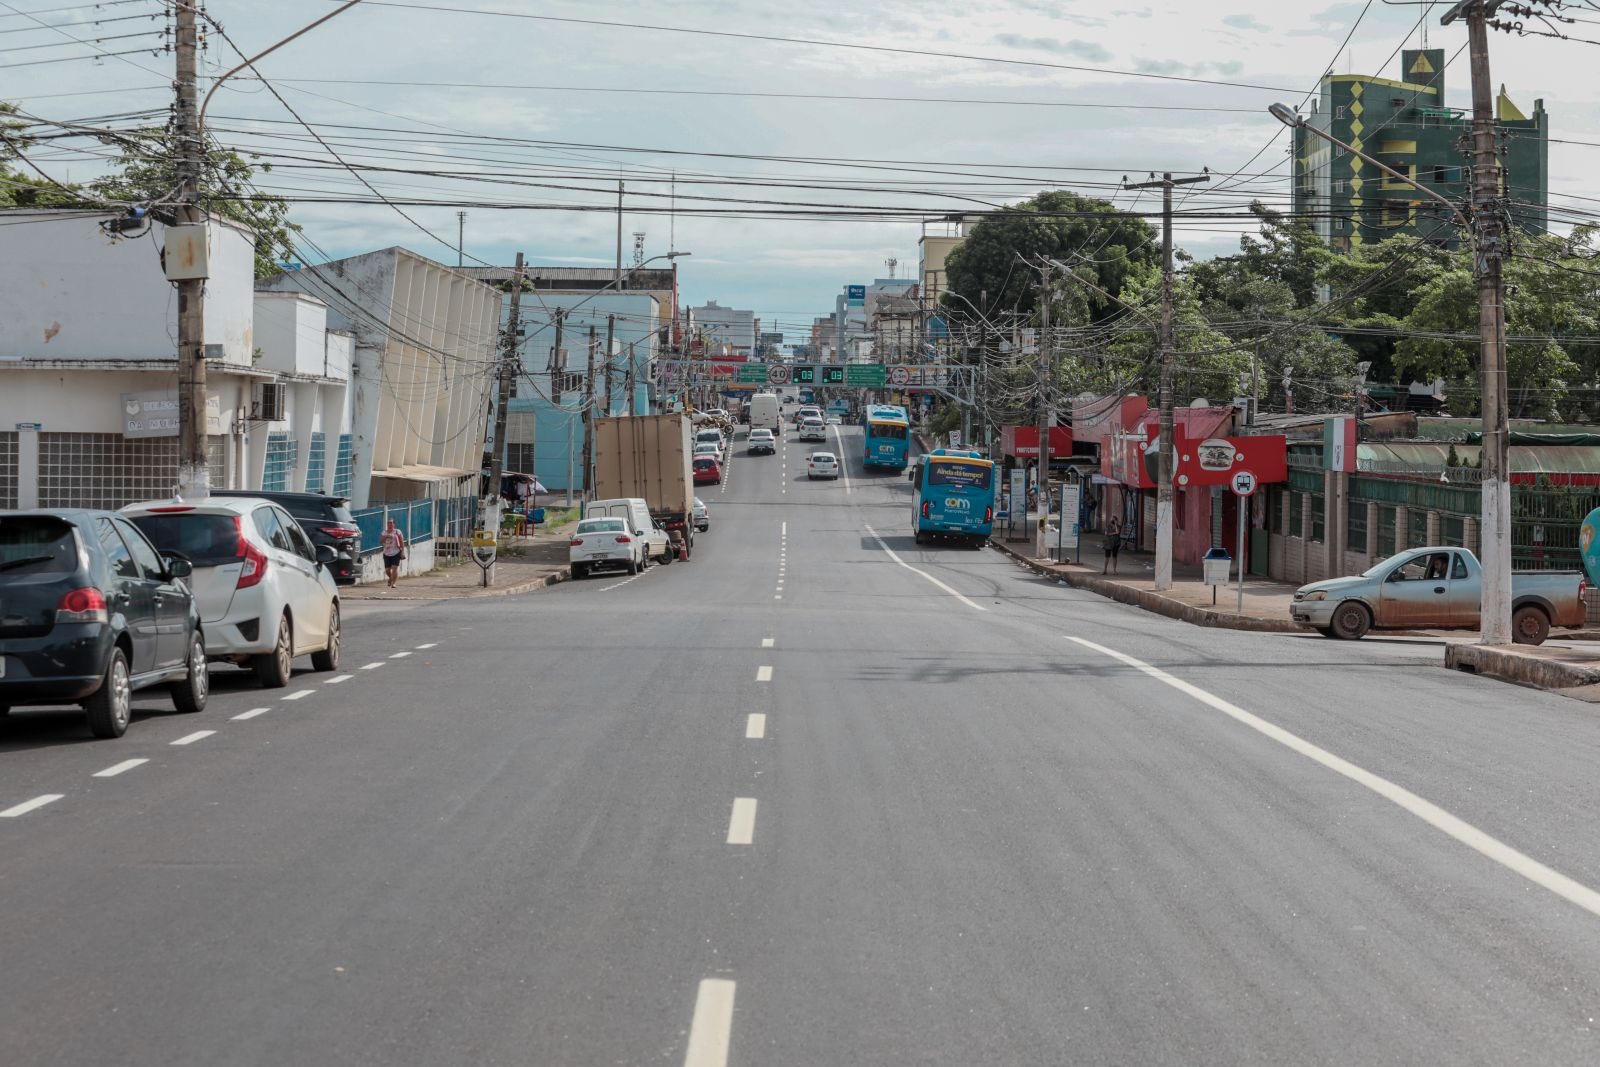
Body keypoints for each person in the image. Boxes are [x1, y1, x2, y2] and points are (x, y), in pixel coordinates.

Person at [380, 518, 406, 588]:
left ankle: (393, 583)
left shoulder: (397, 532)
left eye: (391, 523)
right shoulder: (384, 532)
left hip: (396, 552)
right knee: (387, 570)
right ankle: (391, 578)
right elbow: (381, 541)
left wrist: (402, 552)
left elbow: (401, 542)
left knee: (394, 568)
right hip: (386, 553)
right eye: (388, 523)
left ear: (394, 524)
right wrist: (386, 536)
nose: (390, 525)